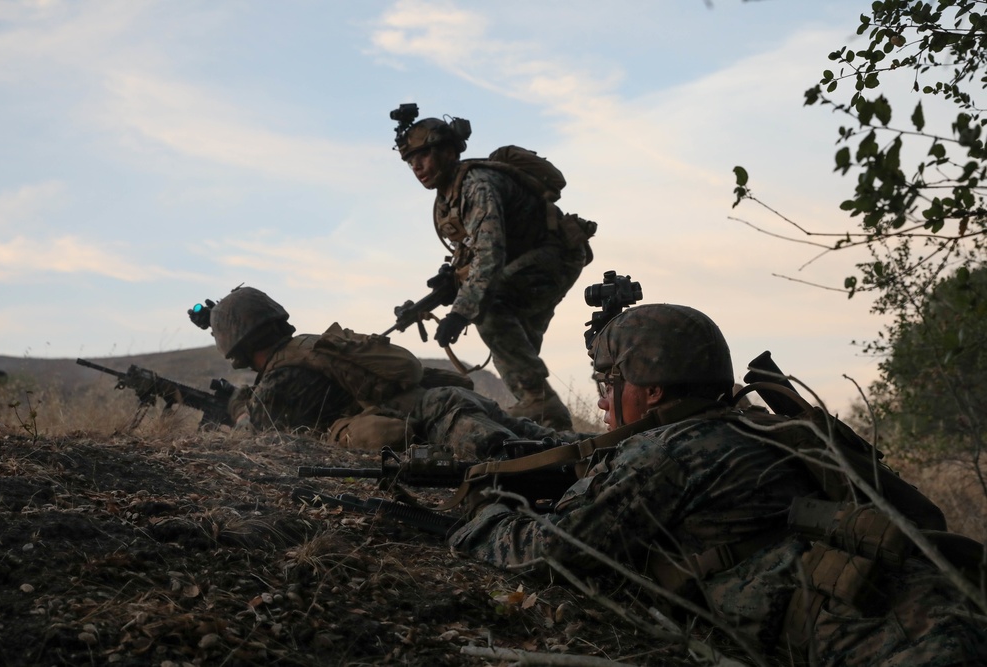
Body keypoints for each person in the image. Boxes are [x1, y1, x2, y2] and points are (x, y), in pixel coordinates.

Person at [448, 303, 987, 665]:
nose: (604, 402)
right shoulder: (763, 426)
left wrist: (484, 516)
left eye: (608, 385)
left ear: (653, 391)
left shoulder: (669, 451)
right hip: (945, 609)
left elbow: (550, 554)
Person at [204, 285, 576, 457]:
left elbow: (257, 435)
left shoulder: (282, 377)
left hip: (440, 417)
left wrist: (235, 407)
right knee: (564, 447)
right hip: (450, 399)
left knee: (526, 460)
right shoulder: (309, 347)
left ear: (236, 346)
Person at [395, 110, 592, 431]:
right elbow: (473, 248)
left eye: (423, 156)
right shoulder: (448, 197)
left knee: (490, 309)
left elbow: (489, 254)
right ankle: (548, 423)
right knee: (517, 338)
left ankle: (538, 402)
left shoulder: (477, 185)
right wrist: (450, 281)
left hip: (555, 255)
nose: (416, 167)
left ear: (448, 152)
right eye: (410, 161)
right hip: (535, 258)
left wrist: (461, 312)